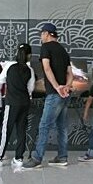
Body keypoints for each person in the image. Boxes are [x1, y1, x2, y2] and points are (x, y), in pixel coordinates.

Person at [22, 23, 73, 169]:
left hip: (55, 94)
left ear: (47, 33)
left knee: (44, 125)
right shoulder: (63, 50)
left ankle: (37, 158)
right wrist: (67, 87)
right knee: (62, 126)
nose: (40, 37)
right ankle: (62, 156)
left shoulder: (46, 47)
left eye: (41, 33)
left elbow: (46, 67)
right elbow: (70, 73)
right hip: (64, 94)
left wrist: (57, 87)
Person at [0, 44, 35, 167]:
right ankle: (18, 158)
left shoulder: (9, 66)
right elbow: (31, 88)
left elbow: (1, 80)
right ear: (29, 55)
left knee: (6, 130)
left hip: (11, 103)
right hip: (25, 103)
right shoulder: (30, 70)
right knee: (21, 130)